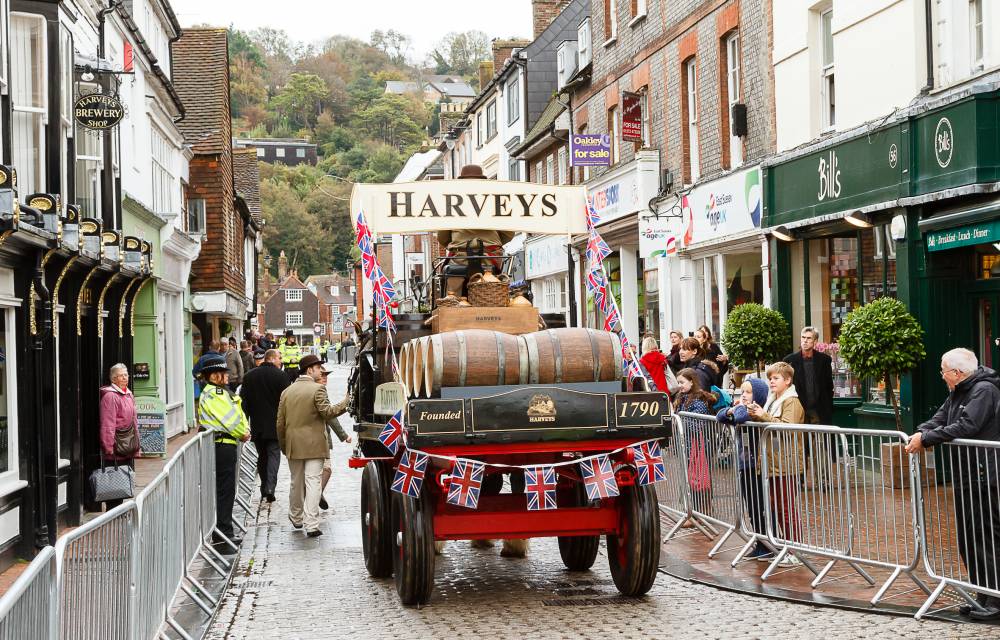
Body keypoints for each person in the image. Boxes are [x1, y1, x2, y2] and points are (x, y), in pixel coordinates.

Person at [907, 348, 1000, 620]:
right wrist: (922, 431)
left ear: (957, 373)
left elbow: (967, 425)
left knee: (987, 538)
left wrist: (927, 439)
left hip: (985, 475)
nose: (941, 375)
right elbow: (942, 417)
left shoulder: (983, 390)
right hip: (967, 474)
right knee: (969, 539)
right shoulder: (959, 391)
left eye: (943, 371)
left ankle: (995, 599)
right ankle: (981, 592)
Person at [276, 355, 351, 537]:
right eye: (318, 368)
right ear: (309, 370)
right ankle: (311, 524)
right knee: (313, 483)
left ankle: (295, 517)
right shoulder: (318, 389)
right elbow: (328, 413)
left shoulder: (287, 392)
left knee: (296, 483)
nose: (320, 371)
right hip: (315, 444)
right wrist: (346, 402)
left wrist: (284, 446)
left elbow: (280, 423)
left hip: (293, 444)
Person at [748, 361, 805, 566]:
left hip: (785, 463)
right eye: (770, 378)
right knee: (778, 508)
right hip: (773, 463)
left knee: (786, 509)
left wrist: (763, 415)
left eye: (776, 378)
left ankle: (795, 551)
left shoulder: (791, 402)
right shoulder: (774, 400)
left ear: (787, 380)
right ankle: (788, 547)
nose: (771, 382)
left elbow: (787, 428)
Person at [437, 164, 516, 295]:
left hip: (459, 259)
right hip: (488, 259)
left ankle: (452, 300)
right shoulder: (495, 203)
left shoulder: (450, 205)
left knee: (451, 294)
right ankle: (492, 299)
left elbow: (443, 238)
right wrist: (489, 243)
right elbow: (508, 234)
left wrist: (459, 243)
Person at [197, 353, 251, 546]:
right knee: (224, 491)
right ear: (214, 376)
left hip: (224, 444)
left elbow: (237, 415)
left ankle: (224, 530)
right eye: (223, 373)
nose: (227, 376)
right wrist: (243, 432)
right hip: (223, 445)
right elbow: (231, 420)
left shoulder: (216, 392)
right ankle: (223, 532)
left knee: (225, 490)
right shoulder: (216, 394)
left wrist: (244, 429)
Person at [717, 377, 771, 560]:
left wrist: (738, 408)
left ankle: (767, 544)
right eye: (743, 391)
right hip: (744, 466)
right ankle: (759, 542)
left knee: (759, 506)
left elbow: (740, 417)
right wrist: (731, 408)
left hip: (756, 467)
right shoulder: (743, 409)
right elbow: (720, 416)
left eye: (748, 392)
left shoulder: (755, 413)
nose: (744, 395)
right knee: (751, 507)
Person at [240, 349, 291, 503]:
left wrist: (245, 423)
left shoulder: (249, 376)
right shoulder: (281, 376)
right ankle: (270, 487)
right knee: (274, 455)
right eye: (279, 358)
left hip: (257, 424)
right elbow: (287, 402)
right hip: (276, 424)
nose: (281, 360)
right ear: (272, 359)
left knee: (262, 456)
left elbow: (244, 402)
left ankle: (264, 487)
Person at [98, 363, 140, 510]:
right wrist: (108, 446)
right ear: (113, 379)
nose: (125, 378)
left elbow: (134, 421)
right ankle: (112, 513)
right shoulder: (110, 396)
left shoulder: (128, 394)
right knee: (114, 482)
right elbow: (107, 424)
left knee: (123, 480)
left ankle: (118, 512)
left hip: (127, 444)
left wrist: (137, 445)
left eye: (126, 375)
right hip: (116, 446)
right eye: (121, 375)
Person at [316, 361, 352, 510]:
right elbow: (329, 416)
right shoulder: (318, 392)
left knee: (315, 472)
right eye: (322, 376)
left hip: (311, 440)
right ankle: (316, 495)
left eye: (326, 376)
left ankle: (315, 494)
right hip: (320, 439)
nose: (325, 378)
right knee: (326, 469)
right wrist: (343, 435)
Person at [782, 326, 834, 425]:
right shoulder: (789, 360)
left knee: (821, 439)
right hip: (798, 409)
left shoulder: (824, 360)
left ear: (815, 341)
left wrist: (828, 407)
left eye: (809, 338)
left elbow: (829, 386)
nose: (805, 341)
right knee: (801, 439)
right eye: (803, 337)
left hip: (819, 410)